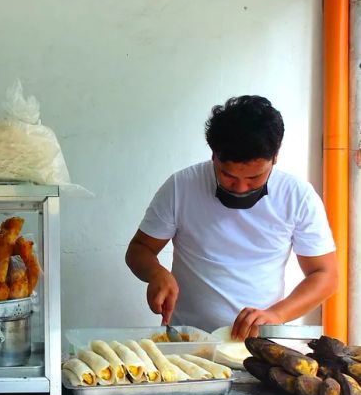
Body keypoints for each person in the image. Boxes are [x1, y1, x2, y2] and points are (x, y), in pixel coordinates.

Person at [125, 95, 338, 340]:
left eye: (254, 178)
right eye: (228, 176)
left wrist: (276, 315)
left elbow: (325, 275)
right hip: (189, 341)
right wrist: (156, 273)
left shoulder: (297, 195)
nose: (240, 188)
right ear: (213, 154)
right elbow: (140, 248)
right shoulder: (181, 187)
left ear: (275, 156)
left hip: (260, 342)